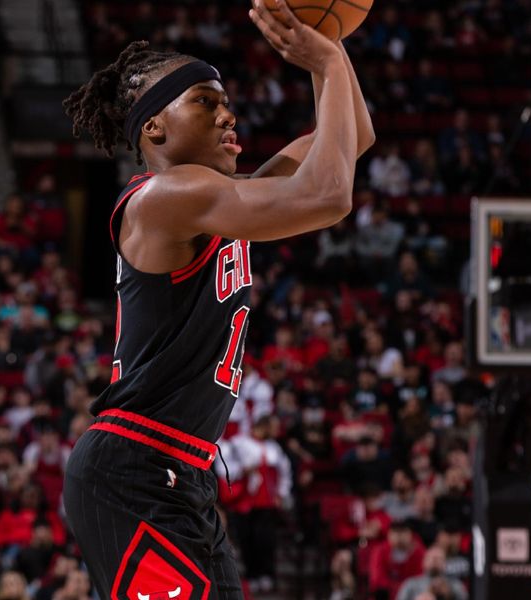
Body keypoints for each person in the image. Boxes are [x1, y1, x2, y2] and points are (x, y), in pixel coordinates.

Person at [60, 0, 374, 596]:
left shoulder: (221, 200)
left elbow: (353, 136)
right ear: (154, 127)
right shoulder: (165, 197)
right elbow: (330, 195)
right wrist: (327, 59)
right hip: (133, 470)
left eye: (226, 100)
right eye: (205, 102)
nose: (229, 114)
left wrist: (326, 47)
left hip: (183, 475)